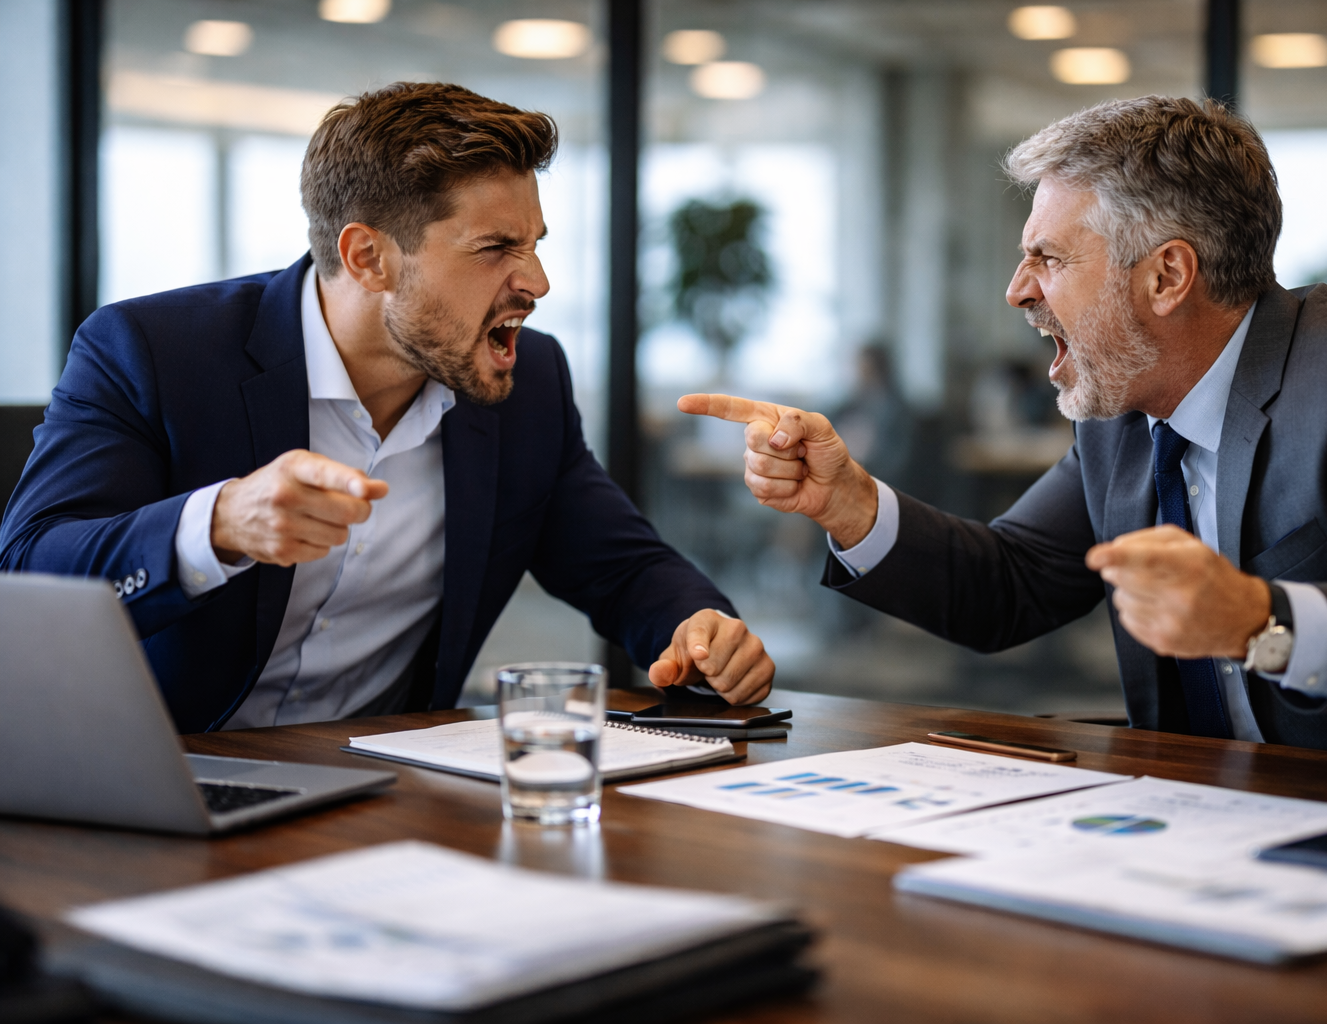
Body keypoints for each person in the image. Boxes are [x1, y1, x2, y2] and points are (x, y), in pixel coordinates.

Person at [680, 95, 1327, 772]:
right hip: (1190, 817)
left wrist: (1256, 620)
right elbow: (1009, 586)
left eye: (1049, 259)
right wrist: (854, 505)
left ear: (1167, 275)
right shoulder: (1124, 413)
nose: (1018, 290)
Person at [0, 82, 773, 733]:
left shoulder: (526, 380)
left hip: (384, 796)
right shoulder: (151, 350)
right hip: (157, 784)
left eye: (535, 243)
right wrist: (221, 523)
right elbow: (31, 572)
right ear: (367, 257)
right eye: (495, 248)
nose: (536, 281)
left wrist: (694, 631)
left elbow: (621, 566)